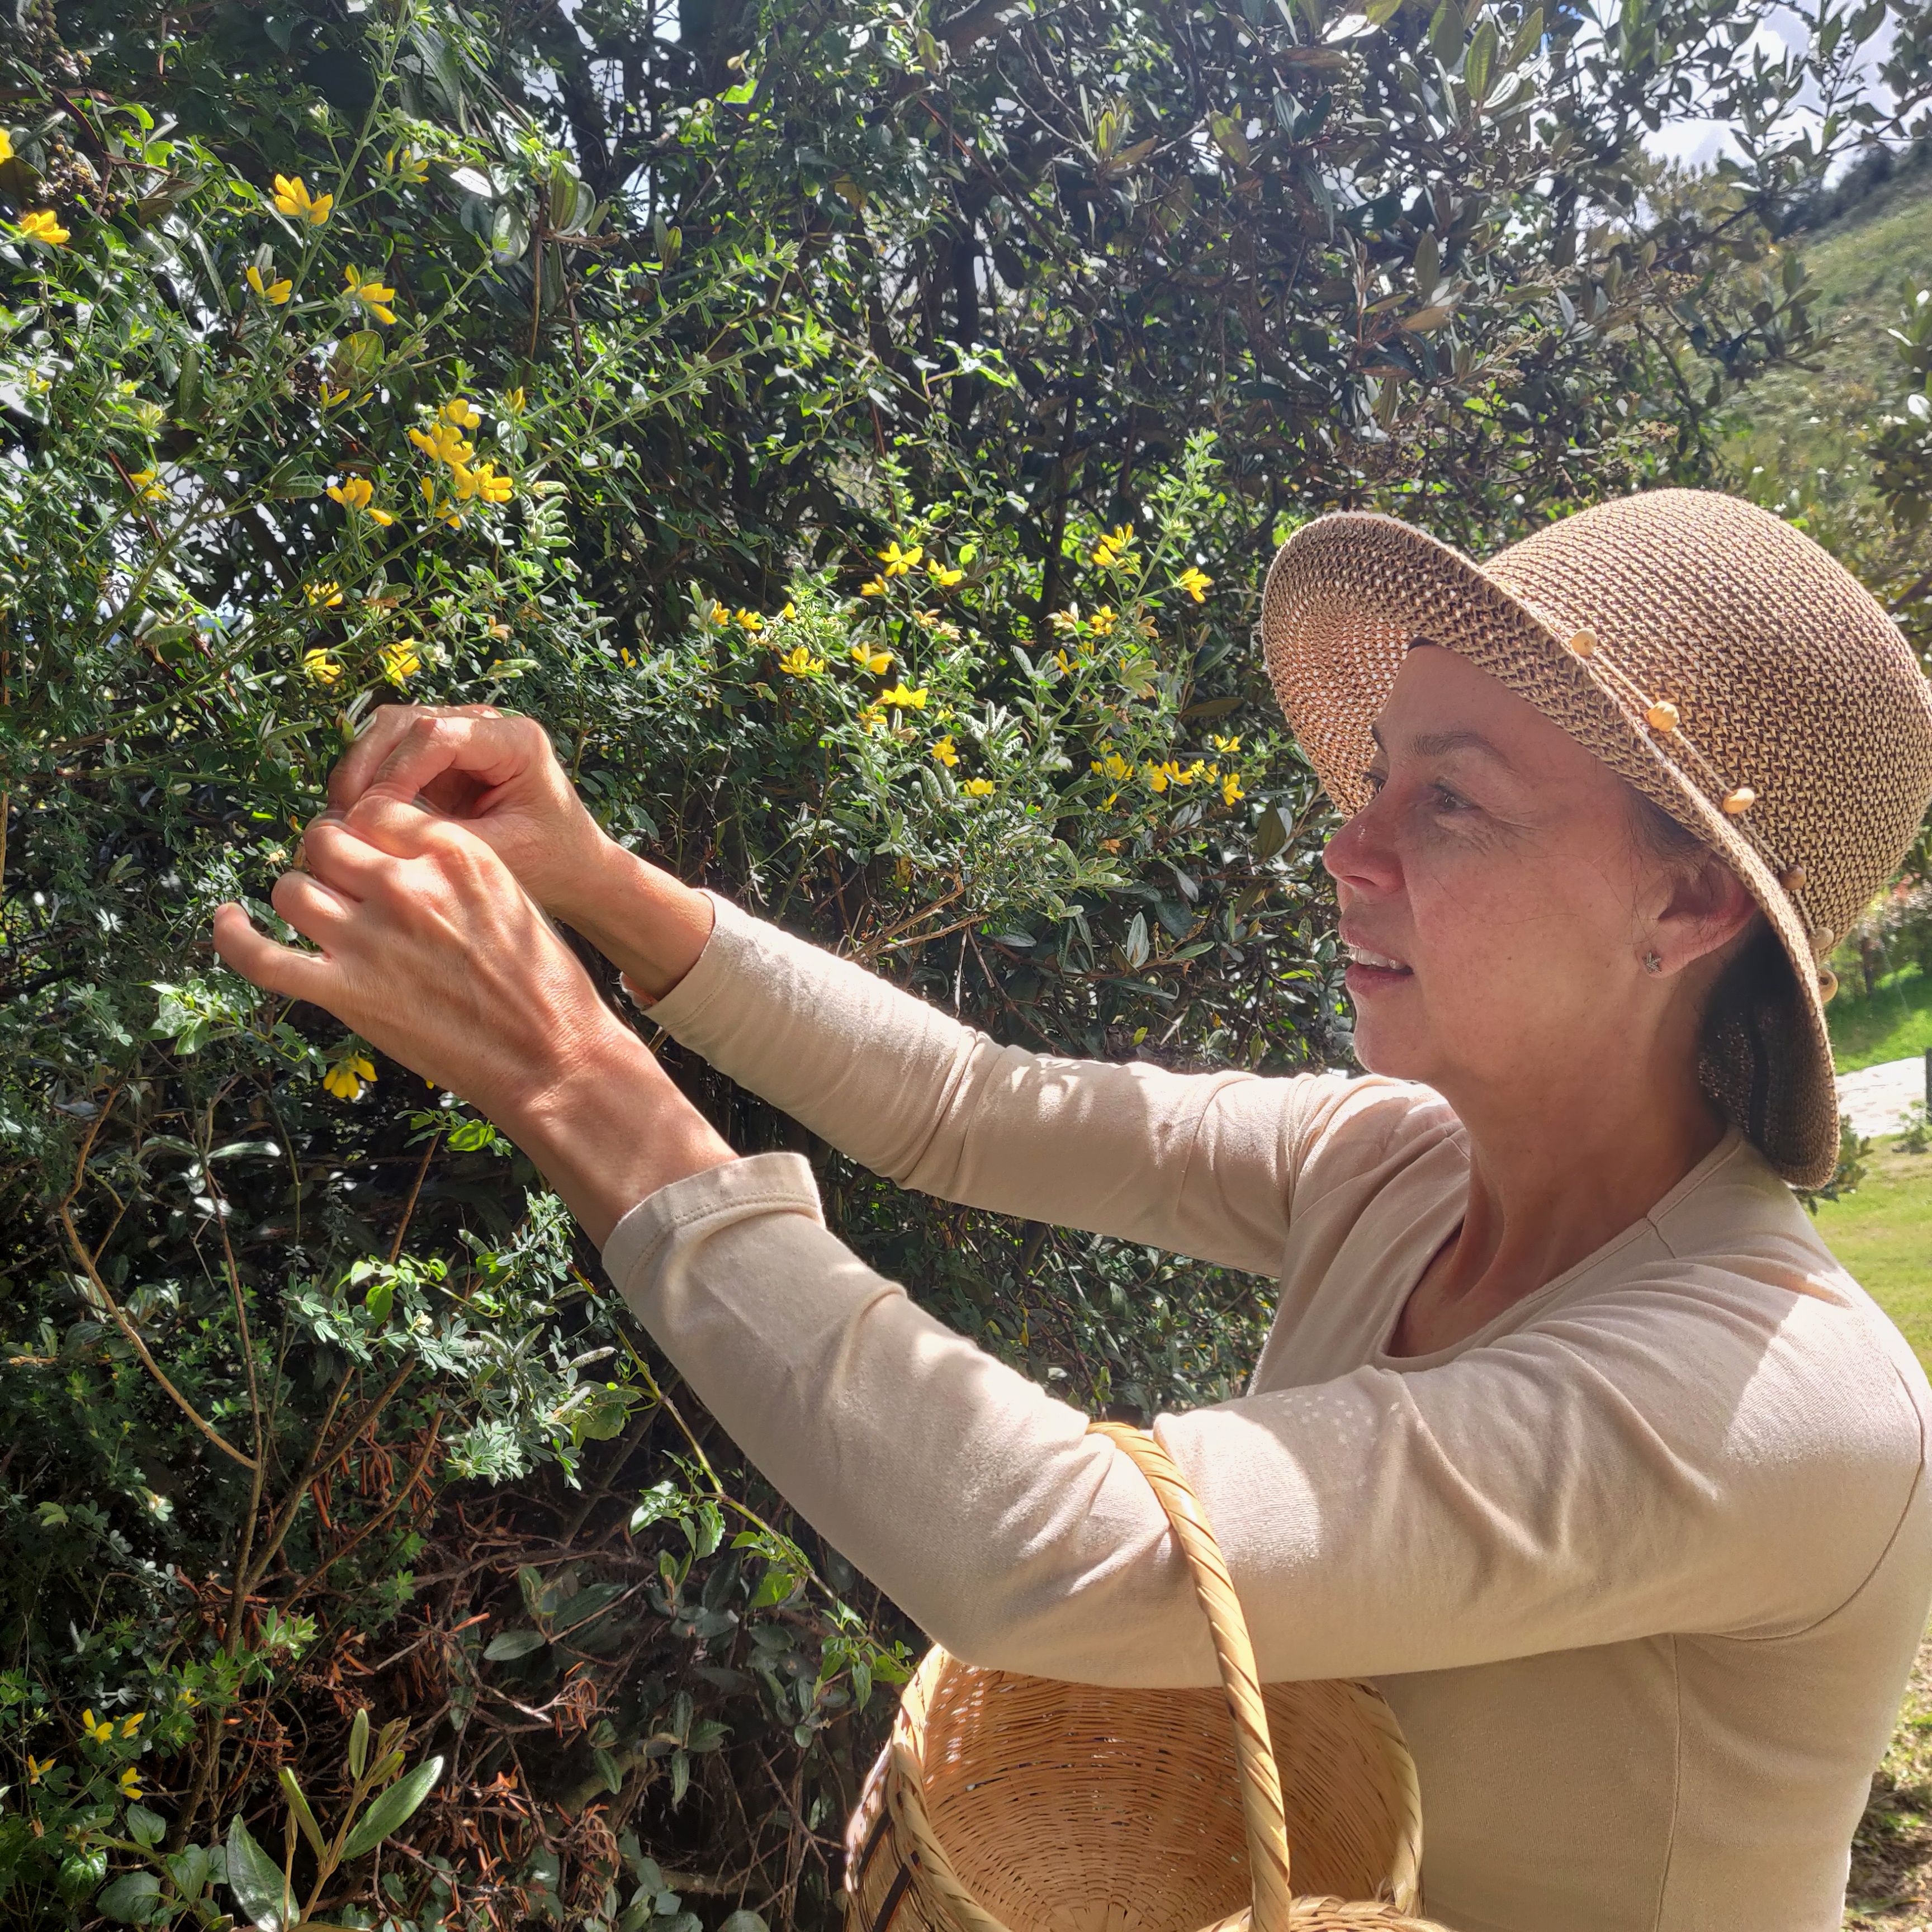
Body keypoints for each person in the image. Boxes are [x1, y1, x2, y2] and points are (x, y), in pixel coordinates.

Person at [214, 488, 1932, 1931]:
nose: (1352, 845)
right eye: (1380, 776)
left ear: (1687, 906)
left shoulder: (1777, 1400)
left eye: (1453, 798)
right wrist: (594, 881)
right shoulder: (1398, 1162)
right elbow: (973, 1103)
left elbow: (1073, 1560)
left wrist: (571, 1076)